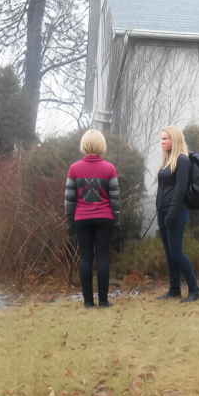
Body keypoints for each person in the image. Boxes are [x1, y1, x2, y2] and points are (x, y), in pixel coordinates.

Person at [65, 129, 121, 308]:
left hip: (81, 219)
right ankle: (103, 301)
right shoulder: (109, 168)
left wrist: (69, 223)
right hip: (104, 218)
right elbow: (115, 199)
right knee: (103, 258)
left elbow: (69, 200)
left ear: (84, 145)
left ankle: (88, 302)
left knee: (86, 258)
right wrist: (117, 221)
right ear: (101, 145)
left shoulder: (74, 168)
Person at [156, 126, 199, 303]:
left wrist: (171, 214)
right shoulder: (167, 160)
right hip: (163, 212)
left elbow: (180, 190)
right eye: (161, 138)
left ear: (174, 140)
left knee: (176, 252)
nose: (162, 142)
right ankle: (174, 289)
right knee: (169, 253)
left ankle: (195, 290)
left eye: (166, 139)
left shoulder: (182, 160)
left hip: (175, 212)